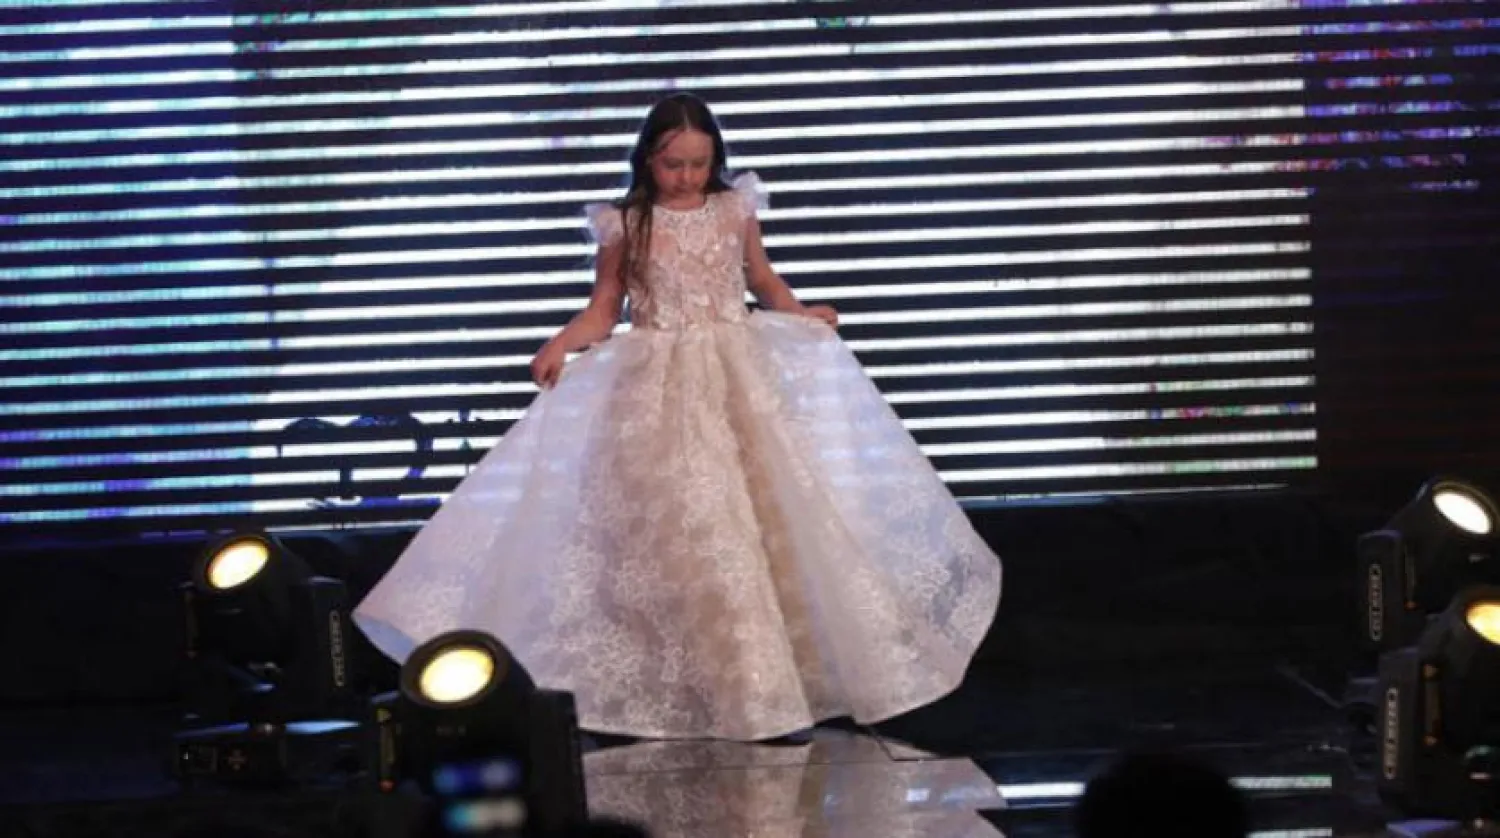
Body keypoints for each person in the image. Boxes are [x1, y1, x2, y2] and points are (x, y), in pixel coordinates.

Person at [353, 92, 1002, 741]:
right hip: (658, 391)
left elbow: (762, 278)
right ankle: (699, 686)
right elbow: (605, 308)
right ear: (649, 159)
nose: (687, 177)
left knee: (756, 523)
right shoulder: (627, 224)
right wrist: (560, 343)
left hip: (734, 377)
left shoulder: (733, 208)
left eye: (698, 163)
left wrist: (799, 314)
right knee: (684, 533)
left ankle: (761, 688)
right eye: (673, 165)